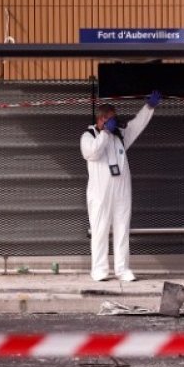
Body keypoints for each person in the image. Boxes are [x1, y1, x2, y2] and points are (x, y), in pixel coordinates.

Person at [80, 90, 161, 281]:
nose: (115, 122)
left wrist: (149, 107)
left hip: (121, 191)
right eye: (111, 119)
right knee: (100, 231)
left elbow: (136, 125)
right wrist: (105, 133)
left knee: (122, 229)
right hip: (100, 193)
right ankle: (99, 270)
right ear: (101, 120)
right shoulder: (89, 136)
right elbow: (92, 153)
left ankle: (122, 269)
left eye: (114, 119)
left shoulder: (121, 136)